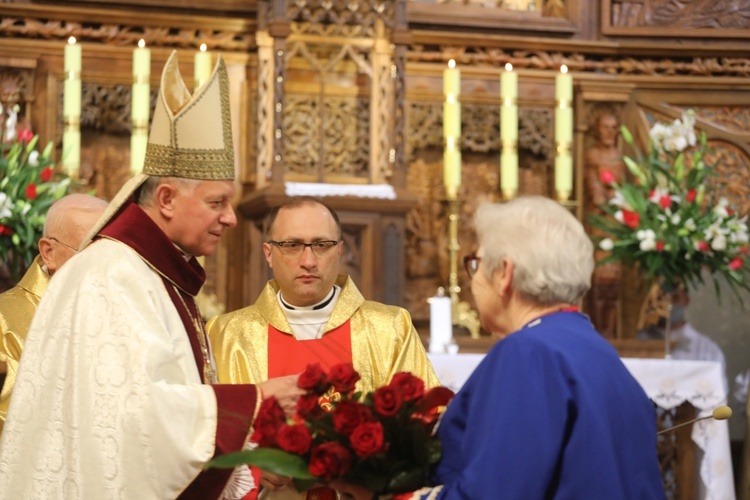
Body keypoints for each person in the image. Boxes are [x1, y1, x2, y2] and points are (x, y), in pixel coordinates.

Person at [0, 51, 303, 499]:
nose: (232, 218)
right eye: (217, 202)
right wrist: (256, 399)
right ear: (165, 198)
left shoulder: (148, 272)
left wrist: (248, 449)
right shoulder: (111, 276)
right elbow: (132, 425)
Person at [337, 196, 665, 499]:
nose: (472, 280)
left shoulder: (529, 354)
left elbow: (493, 492)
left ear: (504, 273)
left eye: (476, 263)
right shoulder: (599, 352)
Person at [207, 196, 439, 499]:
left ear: (340, 250)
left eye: (321, 245)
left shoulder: (389, 328)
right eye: (292, 245)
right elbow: (203, 429)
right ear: (268, 253)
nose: (309, 261)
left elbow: (425, 425)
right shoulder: (227, 334)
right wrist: (251, 465)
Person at [0, 193, 107, 437]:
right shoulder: (5, 320)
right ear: (49, 252)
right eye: (91, 251)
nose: (106, 265)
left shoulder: (123, 312)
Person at [584, 107, 627, 338]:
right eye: (605, 128)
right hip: (600, 223)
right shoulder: (592, 155)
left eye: (613, 128)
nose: (609, 132)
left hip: (616, 223)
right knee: (600, 277)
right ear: (597, 130)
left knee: (614, 279)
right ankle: (600, 328)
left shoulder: (620, 157)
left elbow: (625, 191)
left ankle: (610, 329)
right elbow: (595, 189)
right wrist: (603, 196)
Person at [637, 286, 728, 389]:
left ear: (686, 300)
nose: (668, 304)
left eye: (675, 298)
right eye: (661, 298)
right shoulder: (635, 343)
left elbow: (717, 398)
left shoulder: (708, 350)